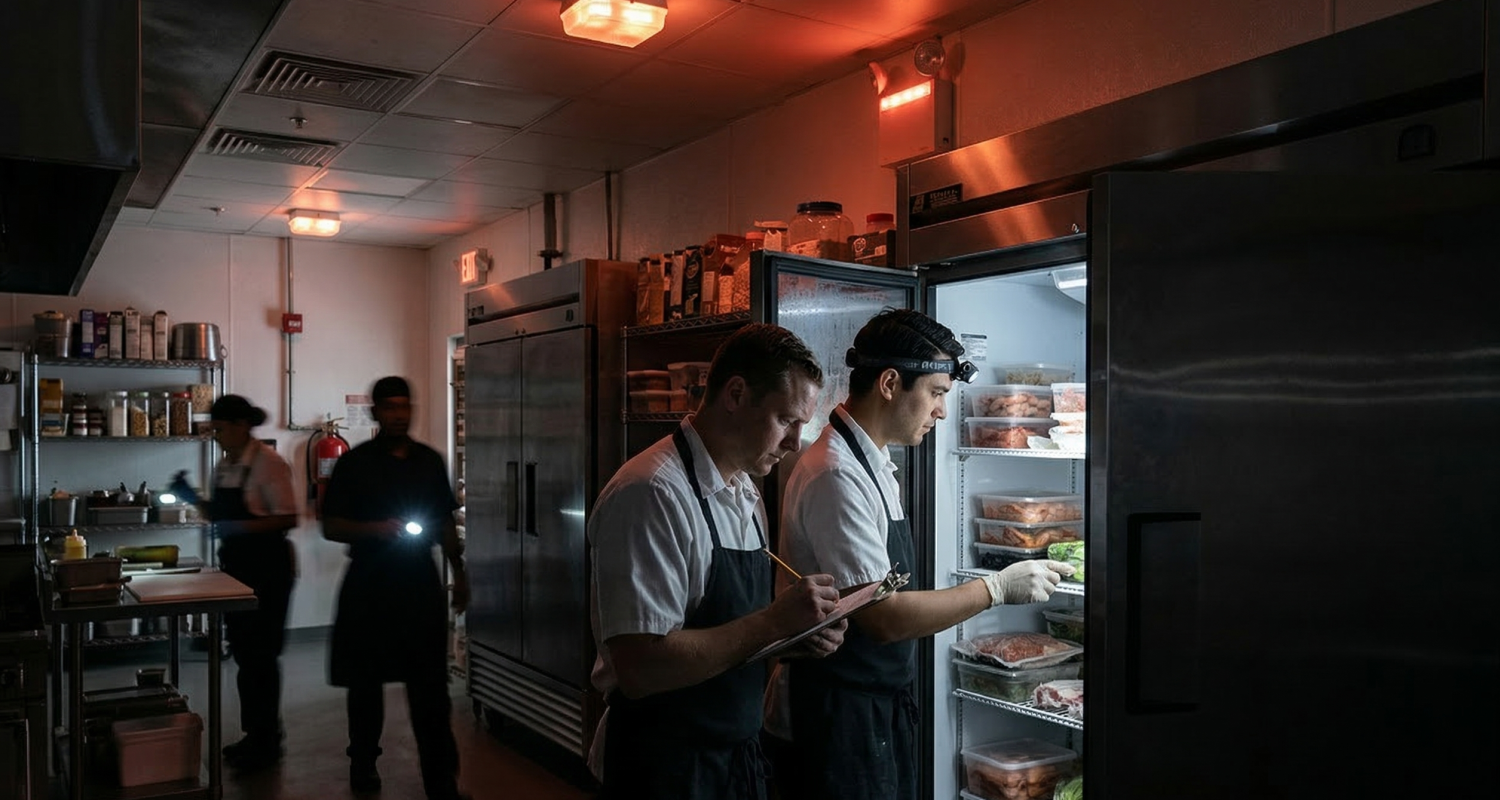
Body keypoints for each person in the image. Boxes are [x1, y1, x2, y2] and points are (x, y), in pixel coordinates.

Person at [768, 309, 1076, 800]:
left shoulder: (872, 462)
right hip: (835, 714)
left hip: (870, 708)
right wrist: (995, 588)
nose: (942, 412)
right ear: (890, 383)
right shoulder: (836, 473)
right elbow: (883, 617)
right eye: (935, 394)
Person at [588, 323, 849, 800]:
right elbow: (641, 666)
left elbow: (727, 633)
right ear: (735, 393)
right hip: (663, 767)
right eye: (786, 420)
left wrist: (793, 638)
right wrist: (773, 621)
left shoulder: (744, 492)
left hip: (733, 760)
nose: (795, 442)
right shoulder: (652, 492)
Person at [321, 376, 470, 800]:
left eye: (405, 407)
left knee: (430, 690)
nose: (399, 415)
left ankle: (441, 784)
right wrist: (376, 529)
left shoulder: (428, 461)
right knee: (365, 686)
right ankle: (363, 766)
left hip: (418, 585)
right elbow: (331, 525)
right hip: (369, 584)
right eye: (390, 408)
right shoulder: (355, 463)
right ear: (375, 413)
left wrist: (459, 571)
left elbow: (444, 522)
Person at [201, 394, 299, 770]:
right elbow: (218, 513)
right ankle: (253, 734)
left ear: (242, 425)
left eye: (220, 428)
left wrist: (237, 526)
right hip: (236, 568)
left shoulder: (269, 464)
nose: (217, 435)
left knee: (262, 656)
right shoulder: (226, 465)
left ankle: (268, 739)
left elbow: (288, 518)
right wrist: (190, 497)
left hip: (269, 569)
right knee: (244, 654)